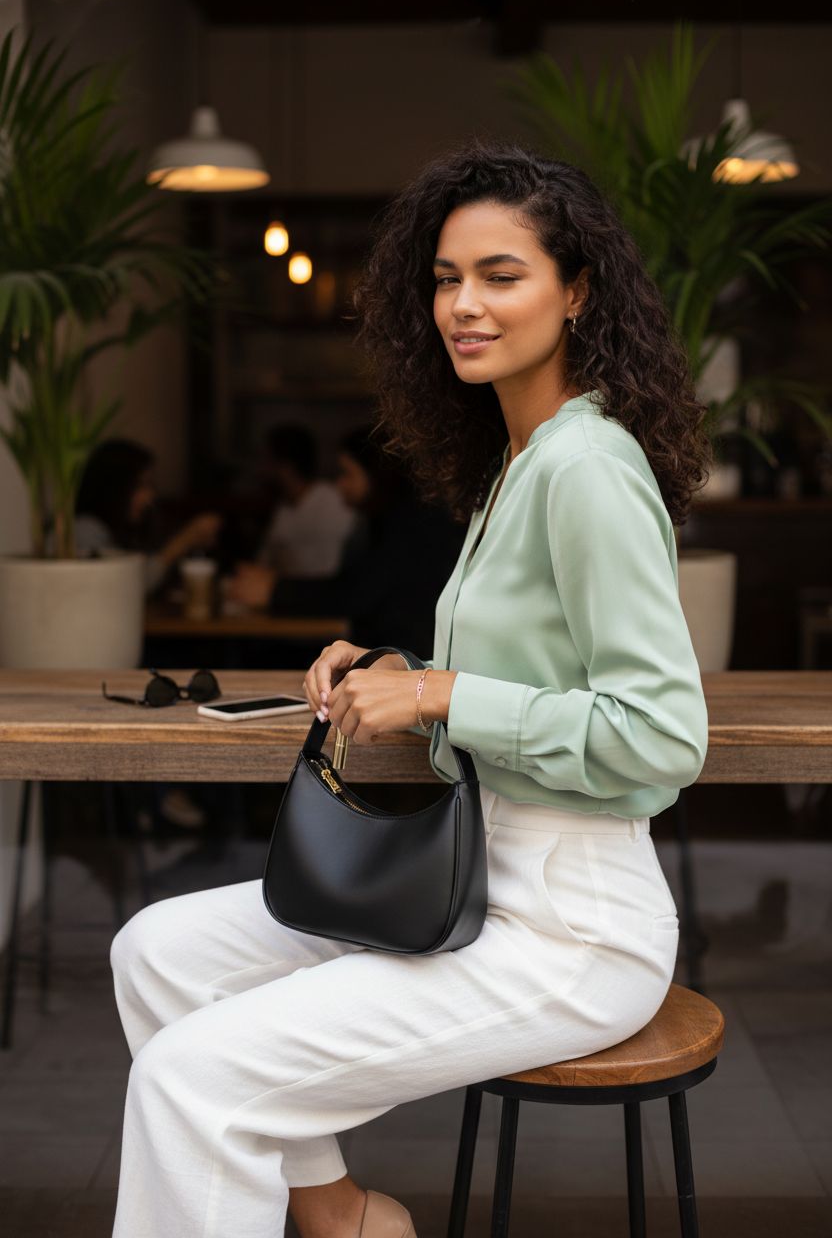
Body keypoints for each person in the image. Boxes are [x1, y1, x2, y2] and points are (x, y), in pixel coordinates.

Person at [109, 140, 711, 1238]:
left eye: (500, 275)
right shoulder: (519, 463)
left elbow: (661, 739)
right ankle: (341, 1216)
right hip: (472, 882)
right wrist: (396, 677)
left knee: (192, 1077)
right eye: (445, 278)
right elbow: (520, 683)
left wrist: (437, 696)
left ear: (576, 292)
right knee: (154, 953)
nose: (462, 306)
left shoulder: (584, 467)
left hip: (570, 929)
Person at [229, 425, 466, 659]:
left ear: (374, 474)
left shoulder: (411, 521)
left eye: (346, 473)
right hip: (396, 655)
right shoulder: (384, 518)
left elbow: (355, 595)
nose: (340, 484)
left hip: (411, 661)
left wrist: (274, 590)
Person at [75, 438, 221, 593]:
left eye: (150, 486)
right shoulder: (84, 530)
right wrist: (184, 540)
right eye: (140, 485)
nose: (149, 497)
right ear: (112, 487)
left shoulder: (130, 529)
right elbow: (126, 588)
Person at [255, 423, 357, 577]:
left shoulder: (334, 504)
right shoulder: (284, 508)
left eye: (265, 460)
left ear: (285, 467)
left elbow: (330, 574)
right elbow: (264, 565)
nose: (259, 470)